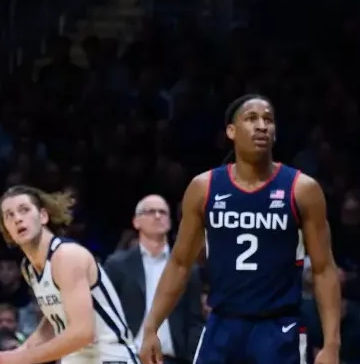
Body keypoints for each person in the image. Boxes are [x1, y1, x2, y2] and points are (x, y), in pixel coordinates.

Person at [140, 95, 342, 364]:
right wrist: (151, 326)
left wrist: (332, 343)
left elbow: (323, 268)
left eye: (268, 120)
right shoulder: (204, 188)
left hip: (278, 328)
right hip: (222, 324)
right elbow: (179, 263)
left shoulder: (301, 189)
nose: (262, 126)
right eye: (251, 118)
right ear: (231, 132)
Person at [0, 186, 136, 364]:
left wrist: (23, 358)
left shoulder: (67, 256)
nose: (18, 219)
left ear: (43, 216)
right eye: (10, 215)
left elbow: (82, 333)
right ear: (6, 230)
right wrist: (19, 352)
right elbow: (54, 318)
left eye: (24, 210)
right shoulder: (28, 268)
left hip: (110, 357)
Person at [103, 195, 204, 364]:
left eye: (163, 212)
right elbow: (107, 314)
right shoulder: (117, 265)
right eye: (150, 211)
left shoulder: (186, 268)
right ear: (136, 222)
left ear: (170, 222)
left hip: (173, 359)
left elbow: (195, 320)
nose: (158, 216)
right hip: (128, 357)